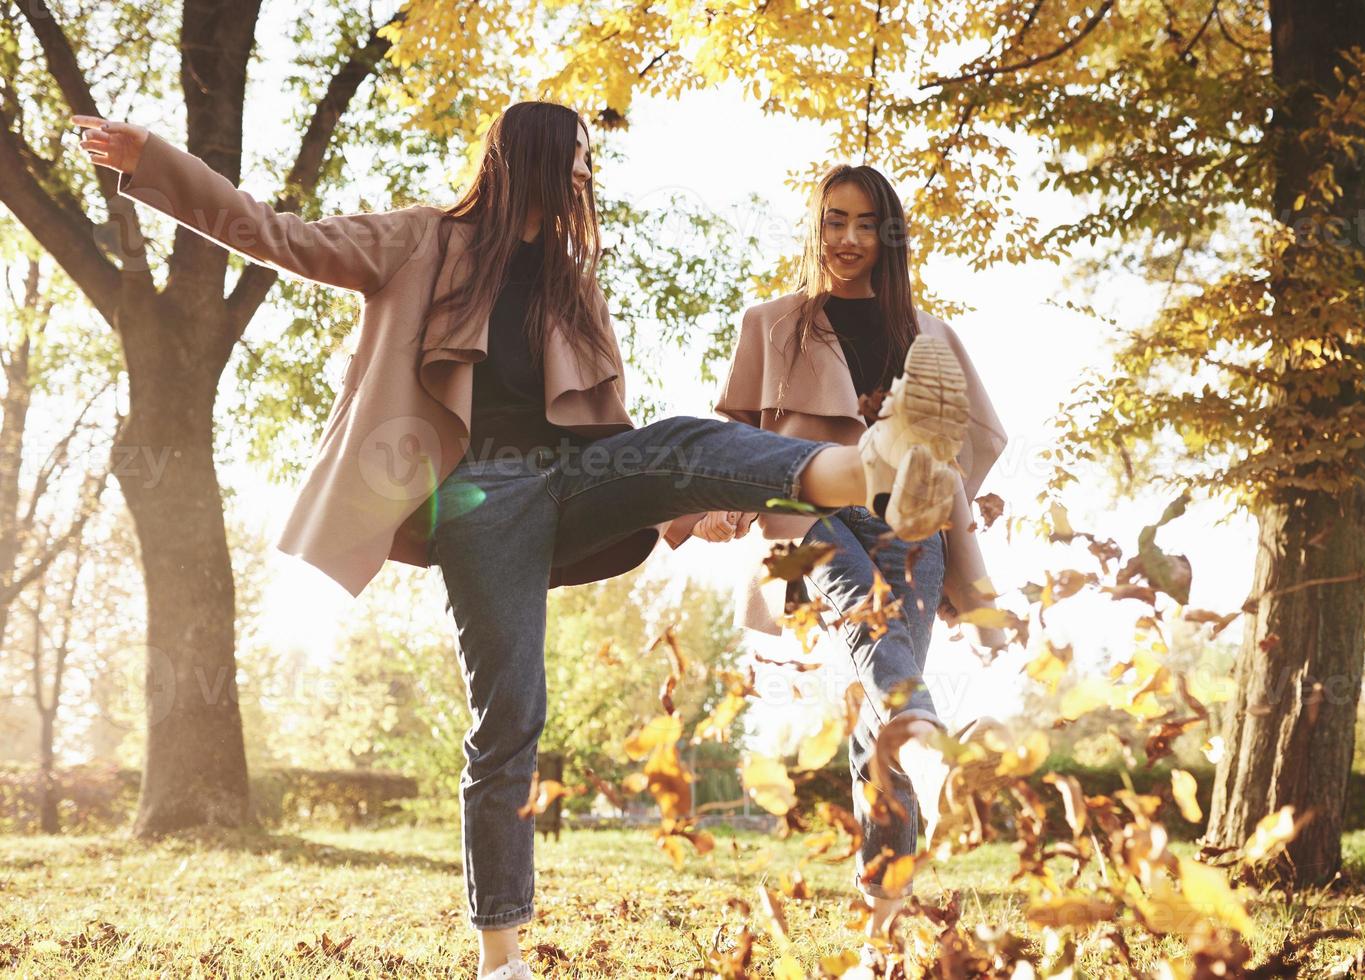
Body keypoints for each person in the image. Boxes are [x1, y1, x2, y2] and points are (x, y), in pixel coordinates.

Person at [70, 104, 975, 980]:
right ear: (527, 160)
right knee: (510, 717)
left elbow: (611, 432)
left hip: (570, 484)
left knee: (686, 436)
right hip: (478, 500)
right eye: (575, 157)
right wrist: (152, 163)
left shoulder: (571, 278)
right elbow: (277, 234)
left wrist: (683, 502)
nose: (587, 173)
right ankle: (500, 957)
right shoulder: (419, 240)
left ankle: (869, 470)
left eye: (589, 159)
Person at [665, 163, 1008, 970]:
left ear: (888, 237)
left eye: (865, 225)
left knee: (870, 709)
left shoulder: (928, 335)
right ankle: (928, 745)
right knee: (867, 631)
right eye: (833, 221)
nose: (848, 239)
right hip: (812, 511)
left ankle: (883, 920)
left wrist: (953, 500)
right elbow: (731, 437)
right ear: (814, 228)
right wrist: (720, 508)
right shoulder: (773, 325)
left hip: (911, 525)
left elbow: (977, 436)